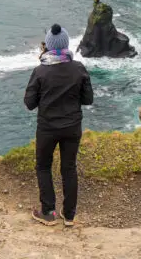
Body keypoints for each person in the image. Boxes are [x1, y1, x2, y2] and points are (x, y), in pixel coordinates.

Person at [24, 24, 93, 227]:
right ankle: (69, 215)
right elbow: (88, 99)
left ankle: (49, 212)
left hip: (47, 127)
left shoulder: (40, 72)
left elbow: (29, 104)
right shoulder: (78, 68)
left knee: (44, 167)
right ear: (65, 45)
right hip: (72, 126)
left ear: (49, 45)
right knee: (69, 168)